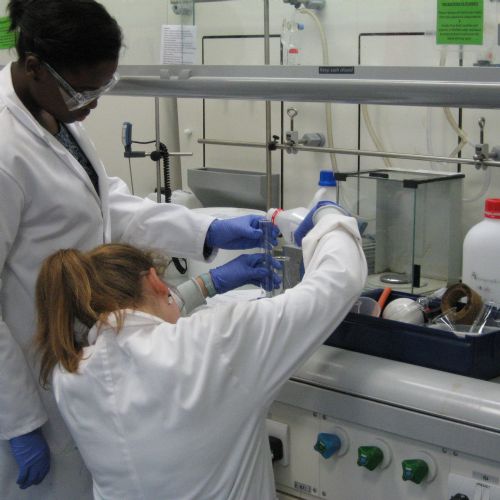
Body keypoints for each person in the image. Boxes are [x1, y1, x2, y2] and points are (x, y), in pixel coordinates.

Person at [0, 0, 278, 497]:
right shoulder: (5, 149)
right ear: (35, 68)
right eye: (84, 90)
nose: (93, 104)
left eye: (103, 88)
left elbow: (108, 207)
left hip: (79, 361)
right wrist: (17, 419)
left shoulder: (55, 113)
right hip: (31, 383)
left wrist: (207, 231)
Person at [34, 203, 367, 500]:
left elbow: (137, 327)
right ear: (155, 282)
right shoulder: (215, 340)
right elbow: (338, 281)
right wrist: (330, 218)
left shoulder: (70, 373)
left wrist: (207, 285)